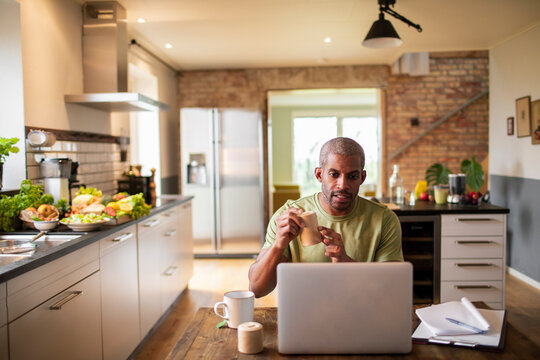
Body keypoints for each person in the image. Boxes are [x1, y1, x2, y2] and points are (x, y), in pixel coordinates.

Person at [248, 137, 403, 298]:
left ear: (362, 178)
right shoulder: (287, 216)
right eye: (334, 174)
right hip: (304, 314)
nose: (342, 185)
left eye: (352, 176)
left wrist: (345, 262)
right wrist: (278, 245)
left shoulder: (384, 219)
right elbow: (256, 289)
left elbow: (391, 288)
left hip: (364, 311)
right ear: (319, 175)